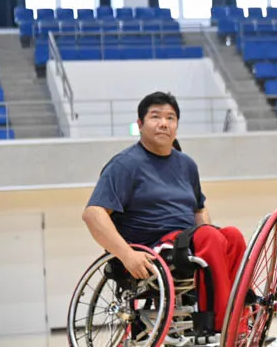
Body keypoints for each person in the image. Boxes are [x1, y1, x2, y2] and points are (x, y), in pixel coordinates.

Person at [82, 91, 246, 334]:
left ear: (176, 127)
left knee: (232, 236)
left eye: (170, 118)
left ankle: (242, 315)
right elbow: (93, 214)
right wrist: (127, 255)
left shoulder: (187, 164)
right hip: (151, 247)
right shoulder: (125, 164)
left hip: (186, 240)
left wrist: (210, 233)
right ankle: (222, 326)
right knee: (209, 238)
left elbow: (199, 208)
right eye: (155, 116)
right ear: (140, 125)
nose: (163, 123)